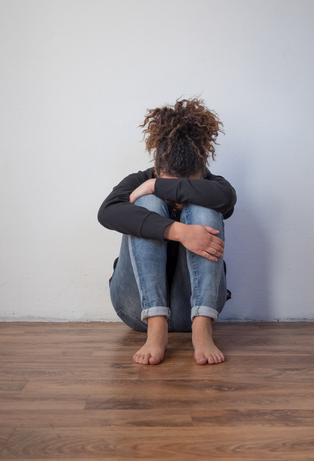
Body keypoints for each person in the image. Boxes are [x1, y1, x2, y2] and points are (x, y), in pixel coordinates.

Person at [98, 98, 237, 365]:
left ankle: (202, 328)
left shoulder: (213, 185)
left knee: (205, 205)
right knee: (145, 204)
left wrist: (158, 186)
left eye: (188, 187)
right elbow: (107, 212)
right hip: (136, 308)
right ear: (157, 170)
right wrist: (180, 232)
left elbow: (227, 198)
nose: (178, 199)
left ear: (202, 173)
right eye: (165, 183)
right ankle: (156, 326)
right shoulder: (138, 180)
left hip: (194, 309)